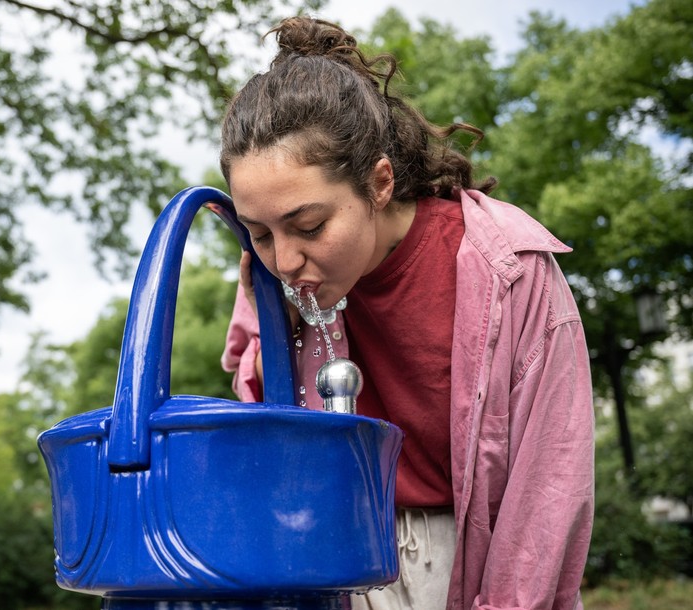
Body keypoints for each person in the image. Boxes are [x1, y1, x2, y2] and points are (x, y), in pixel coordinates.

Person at [218, 15, 595, 610]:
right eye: (258, 232)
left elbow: (550, 487)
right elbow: (262, 432)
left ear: (380, 183)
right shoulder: (273, 278)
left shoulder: (507, 270)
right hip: (329, 565)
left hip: (474, 571)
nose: (286, 258)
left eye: (309, 225)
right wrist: (275, 329)